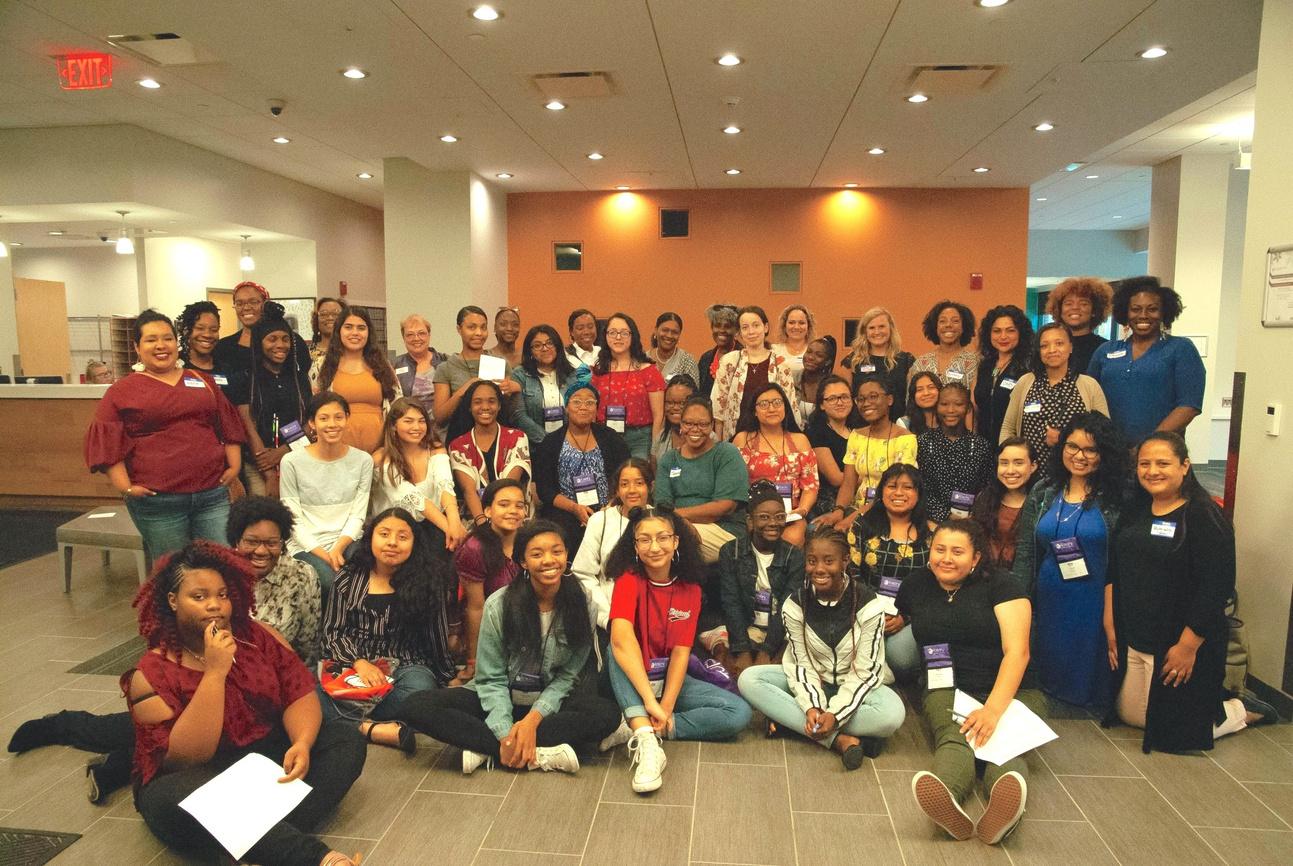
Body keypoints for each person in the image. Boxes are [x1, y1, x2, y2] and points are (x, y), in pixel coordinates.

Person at [7, 496, 325, 805]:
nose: (261, 550)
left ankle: (115, 767)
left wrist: (290, 682)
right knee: (139, 732)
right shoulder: (211, 568)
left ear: (283, 542)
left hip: (258, 683)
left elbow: (306, 644)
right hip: (194, 676)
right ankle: (64, 727)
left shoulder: (299, 577)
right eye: (251, 541)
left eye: (271, 542)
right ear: (235, 541)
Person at [124, 541, 365, 866]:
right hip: (195, 778)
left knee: (345, 740)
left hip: (260, 763)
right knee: (188, 796)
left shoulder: (255, 636)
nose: (215, 605)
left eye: (222, 595)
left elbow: (298, 691)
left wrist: (302, 743)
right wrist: (215, 673)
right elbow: (186, 758)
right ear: (173, 601)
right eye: (199, 597)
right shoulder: (150, 673)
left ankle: (256, 844)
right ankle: (315, 858)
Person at [402, 520, 622, 774]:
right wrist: (504, 732)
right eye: (537, 554)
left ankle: (487, 748)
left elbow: (567, 677)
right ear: (523, 562)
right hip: (500, 696)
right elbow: (490, 679)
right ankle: (532, 752)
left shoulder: (583, 604)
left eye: (557, 551)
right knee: (416, 705)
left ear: (566, 555)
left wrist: (532, 720)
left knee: (607, 713)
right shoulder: (499, 605)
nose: (549, 560)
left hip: (548, 702)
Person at [1108, 433, 1277, 752]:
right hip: (1137, 635)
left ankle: (1238, 710)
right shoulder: (1136, 509)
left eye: (1163, 463)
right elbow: (1114, 568)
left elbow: (1217, 586)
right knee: (1131, 716)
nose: (1152, 471)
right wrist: (1110, 623)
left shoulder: (1203, 515)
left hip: (1181, 639)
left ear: (1185, 466)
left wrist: (1188, 646)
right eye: (1144, 464)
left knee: (1170, 735)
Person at [900, 520, 1033, 845]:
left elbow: (1018, 653)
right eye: (939, 550)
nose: (946, 558)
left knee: (1000, 740)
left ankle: (1005, 805)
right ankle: (945, 796)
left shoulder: (1004, 586)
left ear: (976, 558)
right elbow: (900, 618)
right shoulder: (916, 584)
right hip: (945, 683)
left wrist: (992, 710)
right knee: (954, 736)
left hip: (1010, 685)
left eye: (957, 552)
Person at [605, 506, 753, 793]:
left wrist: (666, 707)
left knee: (739, 712)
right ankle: (648, 745)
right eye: (644, 539)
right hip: (631, 679)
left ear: (675, 542)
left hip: (668, 679)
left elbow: (681, 652)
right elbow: (621, 640)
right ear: (634, 546)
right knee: (615, 648)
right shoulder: (628, 580)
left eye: (662, 538)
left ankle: (648, 727)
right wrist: (650, 702)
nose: (654, 547)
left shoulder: (690, 589)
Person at [739, 525, 905, 767]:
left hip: (855, 684)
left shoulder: (869, 605)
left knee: (892, 715)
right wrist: (812, 706)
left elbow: (865, 672)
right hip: (816, 681)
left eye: (829, 561)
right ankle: (838, 740)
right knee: (749, 680)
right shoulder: (795, 605)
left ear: (845, 561)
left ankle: (792, 725)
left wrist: (835, 715)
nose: (818, 569)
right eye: (812, 561)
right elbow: (801, 665)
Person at [85, 309, 243, 561]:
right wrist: (126, 487)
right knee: (173, 569)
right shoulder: (121, 391)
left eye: (167, 338)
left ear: (176, 343)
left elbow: (228, 423)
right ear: (137, 347)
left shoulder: (201, 380)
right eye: (151, 339)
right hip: (158, 502)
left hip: (211, 495)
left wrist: (234, 466)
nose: (161, 345)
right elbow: (107, 442)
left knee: (223, 563)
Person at [320, 508, 456, 752]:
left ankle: (348, 722)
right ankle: (370, 728)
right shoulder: (347, 579)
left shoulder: (429, 581)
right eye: (384, 534)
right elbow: (332, 632)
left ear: (414, 543)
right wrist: (360, 663)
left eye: (402, 537)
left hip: (406, 666)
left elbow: (436, 637)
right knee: (307, 689)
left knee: (419, 693)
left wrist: (446, 676)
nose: (392, 542)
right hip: (351, 665)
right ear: (370, 537)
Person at [1012, 412, 1124, 708]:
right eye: (1072, 446)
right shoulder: (1044, 490)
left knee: (1089, 687)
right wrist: (1019, 601)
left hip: (1095, 603)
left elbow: (1124, 560)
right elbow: (1026, 549)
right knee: (1047, 682)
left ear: (1104, 454)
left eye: (1090, 449)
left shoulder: (1116, 498)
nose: (1079, 456)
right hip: (1049, 599)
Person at [1088, 276, 1205, 444]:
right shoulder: (1105, 351)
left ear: (1164, 312)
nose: (1143, 315)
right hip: (1110, 451)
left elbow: (1189, 406)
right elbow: (1089, 398)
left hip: (1160, 450)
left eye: (1152, 309)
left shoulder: (1180, 348)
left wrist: (1147, 445)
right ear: (1125, 312)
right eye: (1135, 309)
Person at [279, 391, 374, 592]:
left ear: (347, 419)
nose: (332, 424)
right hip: (306, 543)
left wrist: (338, 548)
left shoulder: (363, 460)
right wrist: (325, 555)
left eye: (338, 417)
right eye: (324, 418)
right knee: (330, 583)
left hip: (348, 539)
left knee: (364, 575)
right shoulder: (291, 461)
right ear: (312, 423)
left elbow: (358, 515)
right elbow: (292, 519)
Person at [848, 463, 934, 680]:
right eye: (892, 486)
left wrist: (905, 617)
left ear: (918, 493)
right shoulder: (862, 525)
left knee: (900, 659)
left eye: (908, 487)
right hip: (863, 608)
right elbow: (852, 572)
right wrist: (873, 611)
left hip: (910, 615)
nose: (899, 493)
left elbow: (932, 586)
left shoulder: (932, 534)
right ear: (882, 491)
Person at [534, 368, 631, 550]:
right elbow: (544, 490)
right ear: (566, 407)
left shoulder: (611, 438)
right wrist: (575, 508)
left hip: (609, 507)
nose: (583, 407)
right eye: (577, 402)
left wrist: (609, 507)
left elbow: (625, 476)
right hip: (566, 511)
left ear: (596, 408)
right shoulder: (551, 442)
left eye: (590, 402)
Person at [1001, 322, 1109, 484]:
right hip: (1029, 477)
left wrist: (1064, 440)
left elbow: (1105, 435)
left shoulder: (1089, 385)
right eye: (1044, 346)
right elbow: (1008, 427)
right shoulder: (1025, 382)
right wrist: (1009, 462)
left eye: (1059, 343)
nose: (1052, 350)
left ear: (1070, 347)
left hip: (1075, 477)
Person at [717, 482, 806, 677]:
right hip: (746, 627)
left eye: (780, 517)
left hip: (780, 632)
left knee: (778, 667)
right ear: (750, 521)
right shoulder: (731, 552)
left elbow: (787, 607)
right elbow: (731, 603)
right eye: (764, 517)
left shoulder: (794, 556)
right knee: (727, 662)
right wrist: (742, 650)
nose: (773, 523)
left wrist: (767, 651)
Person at [653, 396, 750, 563]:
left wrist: (679, 517)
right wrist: (680, 522)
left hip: (723, 529)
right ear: (681, 424)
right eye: (688, 423)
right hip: (675, 527)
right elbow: (662, 505)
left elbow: (725, 506)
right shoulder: (669, 459)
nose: (695, 429)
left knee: (670, 541)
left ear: (712, 425)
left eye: (702, 424)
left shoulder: (726, 453)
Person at [818, 375, 918, 530]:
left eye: (873, 397)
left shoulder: (905, 439)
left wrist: (850, 520)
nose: (866, 403)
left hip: (889, 510)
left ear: (889, 400)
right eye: (861, 399)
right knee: (821, 530)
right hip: (857, 508)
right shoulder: (856, 436)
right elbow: (848, 483)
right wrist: (838, 511)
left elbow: (895, 490)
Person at [452, 478, 528, 683]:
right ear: (487, 511)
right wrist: (473, 661)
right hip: (493, 631)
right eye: (504, 504)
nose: (513, 511)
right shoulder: (475, 547)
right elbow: (475, 608)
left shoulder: (529, 541)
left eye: (519, 506)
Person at [231, 306, 310, 496]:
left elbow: (310, 423)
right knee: (264, 511)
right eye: (272, 339)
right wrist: (270, 474)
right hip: (258, 465)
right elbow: (248, 426)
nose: (280, 345)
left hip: (298, 459)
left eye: (285, 339)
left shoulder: (299, 378)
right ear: (259, 343)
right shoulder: (246, 379)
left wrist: (283, 451)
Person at [371, 397, 467, 552]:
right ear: (393, 425)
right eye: (408, 421)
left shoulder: (435, 449)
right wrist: (450, 529)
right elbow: (413, 497)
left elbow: (445, 486)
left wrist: (455, 522)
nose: (416, 427)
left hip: (433, 524)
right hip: (393, 529)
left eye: (421, 421)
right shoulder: (380, 457)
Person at [732, 383, 819, 547]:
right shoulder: (743, 439)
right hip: (753, 513)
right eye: (764, 404)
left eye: (777, 403)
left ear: (785, 407)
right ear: (754, 411)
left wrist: (802, 510)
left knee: (792, 538)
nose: (771, 408)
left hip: (791, 513)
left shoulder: (800, 441)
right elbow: (734, 484)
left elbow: (810, 487)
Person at [573, 458, 654, 630]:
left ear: (650, 486)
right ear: (617, 490)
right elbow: (582, 574)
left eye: (639, 483)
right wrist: (608, 618)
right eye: (624, 484)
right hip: (610, 616)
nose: (632, 490)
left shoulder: (661, 521)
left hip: (653, 616)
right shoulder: (600, 521)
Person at [312, 305, 400, 453]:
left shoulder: (383, 365)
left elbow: (398, 405)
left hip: (381, 452)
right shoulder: (321, 366)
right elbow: (314, 408)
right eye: (348, 327)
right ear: (339, 331)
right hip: (335, 452)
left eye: (361, 328)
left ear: (369, 332)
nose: (355, 333)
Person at [711, 305, 804, 440]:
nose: (751, 332)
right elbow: (719, 406)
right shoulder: (729, 362)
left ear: (765, 327)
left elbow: (790, 406)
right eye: (745, 327)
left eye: (756, 325)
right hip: (735, 438)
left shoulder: (780, 364)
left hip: (773, 438)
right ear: (739, 333)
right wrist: (720, 444)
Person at [447, 380, 532, 522]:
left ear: (499, 406)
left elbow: (508, 485)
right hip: (475, 518)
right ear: (469, 407)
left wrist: (497, 525)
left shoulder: (517, 438)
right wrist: (482, 524)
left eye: (491, 401)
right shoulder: (458, 446)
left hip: (512, 516)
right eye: (477, 402)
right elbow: (469, 490)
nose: (485, 407)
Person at [434, 305, 523, 433]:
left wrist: (515, 387)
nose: (478, 333)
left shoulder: (500, 363)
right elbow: (440, 418)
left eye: (483, 327)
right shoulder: (446, 368)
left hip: (496, 435)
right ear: (459, 329)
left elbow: (512, 411)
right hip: (459, 436)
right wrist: (465, 390)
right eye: (472, 327)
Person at [592, 312, 666, 460]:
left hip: (640, 439)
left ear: (633, 336)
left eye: (624, 333)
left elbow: (659, 415)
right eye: (612, 332)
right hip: (605, 436)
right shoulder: (597, 371)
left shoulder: (649, 371)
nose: (618, 337)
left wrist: (655, 450)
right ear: (605, 336)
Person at [917, 383, 993, 523]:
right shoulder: (923, 442)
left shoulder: (981, 446)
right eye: (944, 404)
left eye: (958, 404)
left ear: (968, 408)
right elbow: (919, 488)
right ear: (936, 407)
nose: (950, 410)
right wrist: (945, 515)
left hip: (971, 522)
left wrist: (974, 516)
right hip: (931, 522)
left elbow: (987, 489)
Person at [213, 280, 310, 388]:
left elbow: (303, 377)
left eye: (253, 302)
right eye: (239, 303)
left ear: (265, 304)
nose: (246, 308)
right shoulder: (224, 347)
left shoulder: (291, 341)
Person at [970, 438, 1038, 571]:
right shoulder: (985, 498)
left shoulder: (1042, 502)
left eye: (1018, 463)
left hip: (1026, 577)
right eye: (1004, 463)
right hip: (984, 575)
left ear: (1033, 466)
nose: (1010, 470)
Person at [974, 305, 1033, 446]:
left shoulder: (1028, 367)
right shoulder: (985, 365)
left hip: (1013, 445)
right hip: (983, 444)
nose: (1003, 336)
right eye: (997, 331)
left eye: (1010, 330)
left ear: (1020, 333)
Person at [510, 323, 578, 445]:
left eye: (550, 343)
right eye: (537, 345)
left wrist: (567, 443)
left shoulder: (572, 375)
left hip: (571, 443)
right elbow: (519, 416)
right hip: (534, 446)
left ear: (557, 346)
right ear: (530, 351)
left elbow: (579, 412)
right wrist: (549, 442)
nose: (545, 348)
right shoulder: (520, 374)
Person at [843, 307, 915, 421]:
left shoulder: (905, 360)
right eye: (871, 328)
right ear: (865, 331)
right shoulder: (853, 361)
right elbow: (845, 398)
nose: (877, 332)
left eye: (881, 326)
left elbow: (912, 398)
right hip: (861, 425)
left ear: (891, 329)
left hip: (896, 425)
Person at [805, 374, 859, 522]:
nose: (840, 402)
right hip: (830, 499)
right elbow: (836, 478)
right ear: (822, 405)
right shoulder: (815, 432)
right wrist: (871, 476)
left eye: (844, 397)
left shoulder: (859, 429)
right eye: (833, 398)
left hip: (861, 494)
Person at [1046, 277, 1112, 374]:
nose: (1075, 307)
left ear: (1094, 310)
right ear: (1059, 310)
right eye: (1068, 304)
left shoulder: (1105, 348)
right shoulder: (1048, 345)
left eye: (1083, 304)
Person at [910, 300, 978, 393]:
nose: (948, 325)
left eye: (955, 321)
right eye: (942, 321)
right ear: (935, 327)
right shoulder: (921, 363)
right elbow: (911, 397)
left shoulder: (974, 362)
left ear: (964, 327)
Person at [392, 313, 447, 417]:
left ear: (429, 335)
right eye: (410, 335)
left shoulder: (445, 361)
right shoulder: (394, 365)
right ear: (403, 338)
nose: (416, 338)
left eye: (421, 333)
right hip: (409, 424)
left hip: (442, 425)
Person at [653, 373, 699, 464]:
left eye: (682, 403)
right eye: (670, 402)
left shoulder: (709, 438)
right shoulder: (660, 438)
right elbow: (655, 470)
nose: (675, 408)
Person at [647, 311, 700, 384]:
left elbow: (693, 390)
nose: (669, 335)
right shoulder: (643, 360)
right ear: (656, 330)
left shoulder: (687, 361)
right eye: (665, 330)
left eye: (675, 332)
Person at [697, 303, 738, 395]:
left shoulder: (744, 357)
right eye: (717, 326)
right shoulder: (705, 358)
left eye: (727, 326)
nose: (722, 330)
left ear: (736, 330)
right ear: (712, 328)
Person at [175, 301, 222, 380]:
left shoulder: (226, 366)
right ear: (186, 331)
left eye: (214, 330)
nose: (207, 335)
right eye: (200, 328)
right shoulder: (174, 365)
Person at [798, 335, 837, 424]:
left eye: (819, 355)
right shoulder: (791, 379)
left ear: (828, 362)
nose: (811, 357)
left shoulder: (833, 386)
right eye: (809, 352)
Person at [770, 303, 814, 381]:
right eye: (791, 322)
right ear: (784, 326)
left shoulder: (815, 352)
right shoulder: (773, 350)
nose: (796, 327)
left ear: (808, 326)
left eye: (801, 323)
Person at [899, 370, 942, 435]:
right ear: (913, 395)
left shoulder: (951, 419)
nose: (926, 393)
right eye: (919, 389)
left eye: (931, 387)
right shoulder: (905, 423)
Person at [310, 297, 344, 363]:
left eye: (336, 314)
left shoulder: (352, 351)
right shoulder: (306, 352)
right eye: (324, 314)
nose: (330, 318)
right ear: (316, 320)